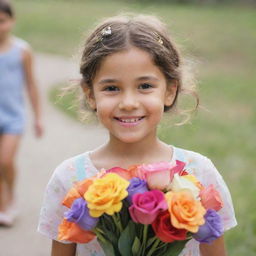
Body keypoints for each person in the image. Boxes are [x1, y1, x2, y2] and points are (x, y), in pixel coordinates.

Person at [37, 13, 237, 256]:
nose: (129, 103)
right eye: (111, 88)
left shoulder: (198, 172)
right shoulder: (69, 178)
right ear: (90, 94)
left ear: (170, 91)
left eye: (145, 86)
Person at [0, 0, 43, 226]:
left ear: (11, 21)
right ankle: (3, 204)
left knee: (5, 160)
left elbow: (31, 85)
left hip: (12, 117)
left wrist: (37, 117)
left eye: (2, 21)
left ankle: (10, 194)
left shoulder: (22, 51)